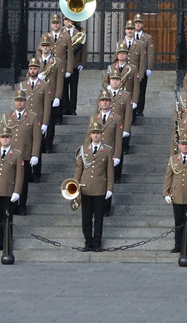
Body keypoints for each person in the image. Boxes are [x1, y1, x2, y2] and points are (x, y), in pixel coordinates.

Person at [74, 120, 114, 252]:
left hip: (99, 189)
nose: (96, 135)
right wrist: (75, 186)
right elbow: (79, 169)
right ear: (90, 135)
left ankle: (97, 242)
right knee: (86, 218)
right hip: (85, 188)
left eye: (98, 133)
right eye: (93, 133)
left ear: (101, 134)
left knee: (98, 218)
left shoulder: (107, 150)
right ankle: (88, 241)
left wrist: (109, 188)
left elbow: (110, 171)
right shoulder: (83, 149)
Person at [0, 90, 41, 215]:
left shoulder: (32, 117)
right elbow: (2, 137)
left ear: (25, 102)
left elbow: (37, 138)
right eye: (17, 100)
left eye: (22, 100)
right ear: (14, 102)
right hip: (10, 156)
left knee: (22, 182)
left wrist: (35, 154)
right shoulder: (7, 117)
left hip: (25, 154)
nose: (19, 103)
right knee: (11, 181)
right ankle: (11, 206)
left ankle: (22, 205)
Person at [35, 34, 65, 153]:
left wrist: (58, 97)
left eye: (47, 45)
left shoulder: (57, 62)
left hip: (51, 95)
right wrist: (37, 75)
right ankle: (40, 143)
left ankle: (48, 144)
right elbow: (28, 77)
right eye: (44, 45)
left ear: (50, 47)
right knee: (39, 121)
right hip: (39, 96)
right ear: (40, 47)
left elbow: (59, 81)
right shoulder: (36, 61)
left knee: (51, 122)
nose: (46, 48)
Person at [103, 42, 139, 110]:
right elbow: (105, 82)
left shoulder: (133, 68)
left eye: (123, 53)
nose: (121, 55)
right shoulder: (111, 67)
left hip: (127, 99)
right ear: (117, 55)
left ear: (127, 55)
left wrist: (135, 101)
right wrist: (109, 87)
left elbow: (136, 87)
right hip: (114, 98)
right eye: (119, 53)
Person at [105, 74, 133, 160]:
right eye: (113, 79)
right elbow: (97, 112)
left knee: (118, 149)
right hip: (106, 126)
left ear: (120, 82)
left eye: (117, 79)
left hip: (119, 126)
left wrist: (126, 129)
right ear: (110, 81)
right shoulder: (104, 95)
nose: (115, 81)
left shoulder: (126, 96)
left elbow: (128, 114)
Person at [63, 17, 87, 116]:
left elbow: (84, 48)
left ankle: (72, 109)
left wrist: (82, 62)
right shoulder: (61, 32)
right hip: (63, 64)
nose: (68, 22)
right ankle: (64, 108)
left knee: (73, 88)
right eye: (65, 20)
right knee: (63, 88)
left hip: (75, 64)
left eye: (69, 20)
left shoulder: (79, 32)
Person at [132, 13, 154, 117]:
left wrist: (149, 68)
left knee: (141, 90)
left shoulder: (147, 38)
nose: (137, 25)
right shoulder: (130, 37)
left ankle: (140, 110)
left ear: (142, 25)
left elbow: (150, 53)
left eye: (139, 23)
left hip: (143, 67)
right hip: (132, 68)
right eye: (136, 23)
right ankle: (132, 110)